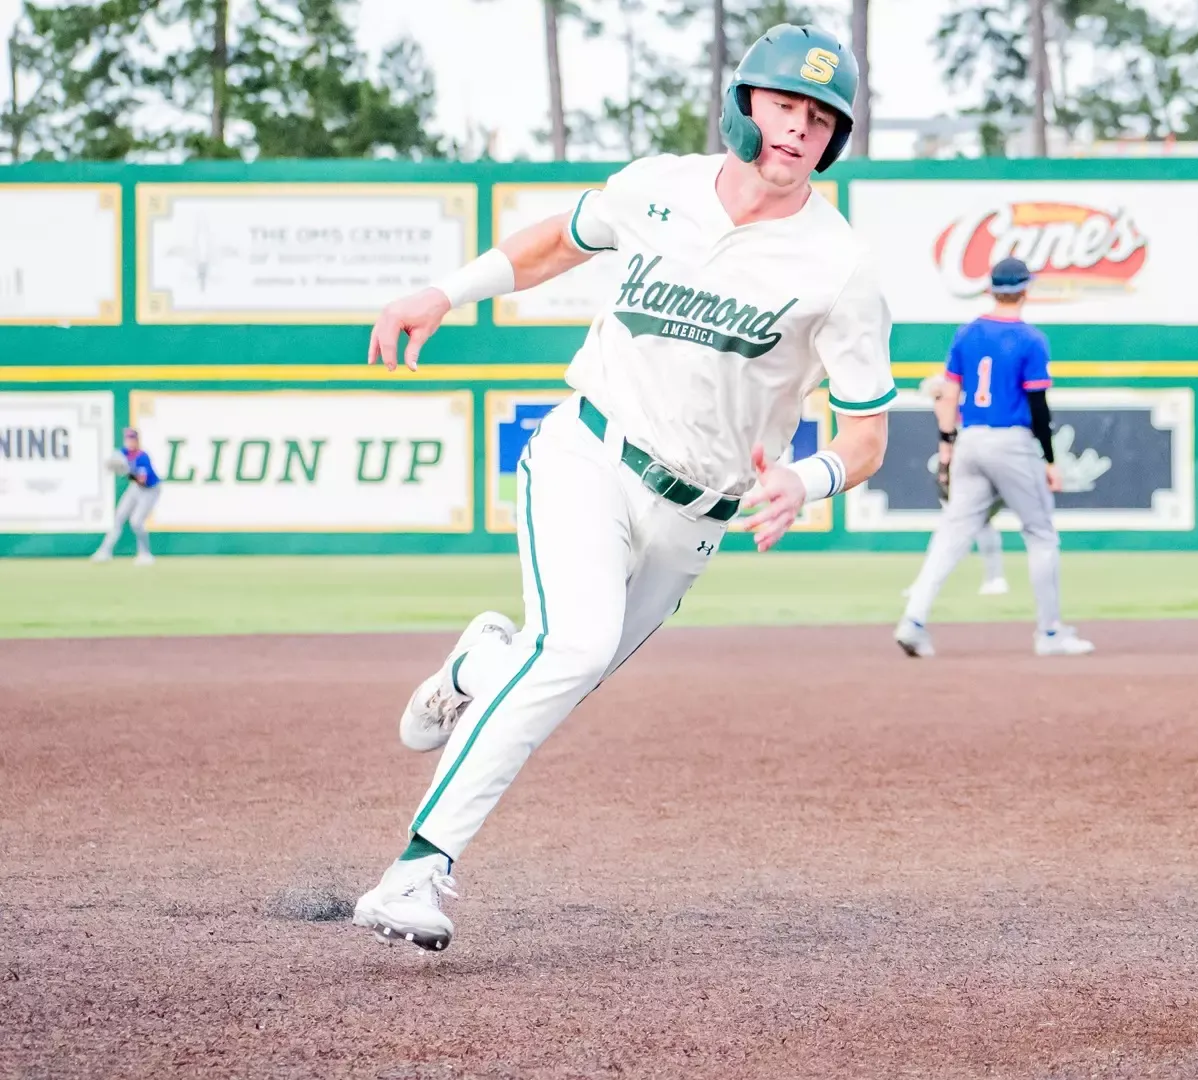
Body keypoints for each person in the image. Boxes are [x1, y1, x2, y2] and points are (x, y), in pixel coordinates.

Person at [350, 24, 895, 953]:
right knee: (573, 645)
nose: (797, 130)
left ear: (835, 138)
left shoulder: (839, 268)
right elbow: (555, 246)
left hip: (696, 519)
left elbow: (868, 435)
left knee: (563, 669)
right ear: (743, 106)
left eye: (819, 117)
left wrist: (808, 479)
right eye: (782, 105)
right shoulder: (659, 187)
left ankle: (475, 667)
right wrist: (445, 293)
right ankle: (415, 871)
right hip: (588, 455)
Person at [894, 257, 1093, 659]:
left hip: (970, 439)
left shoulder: (967, 334)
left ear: (990, 289)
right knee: (1040, 534)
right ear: (1026, 289)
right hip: (1011, 442)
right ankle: (1050, 633)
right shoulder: (1031, 340)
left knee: (951, 534)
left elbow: (949, 395)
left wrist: (947, 447)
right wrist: (1050, 460)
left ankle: (912, 621)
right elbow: (1038, 405)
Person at [900, 371, 1009, 598]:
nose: (936, 402)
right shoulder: (957, 413)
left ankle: (928, 586)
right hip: (974, 476)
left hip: (979, 476)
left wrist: (946, 467)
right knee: (972, 526)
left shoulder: (967, 413)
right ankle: (993, 578)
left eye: (939, 396)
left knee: (961, 528)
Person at [91, 427, 161, 566]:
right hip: (135, 488)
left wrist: (127, 471)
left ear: (137, 441)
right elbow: (111, 462)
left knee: (136, 521)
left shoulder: (142, 457)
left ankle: (145, 554)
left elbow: (142, 479)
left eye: (132, 439)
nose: (130, 442)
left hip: (150, 490)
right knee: (119, 516)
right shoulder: (123, 452)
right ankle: (105, 552)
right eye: (128, 439)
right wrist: (115, 465)